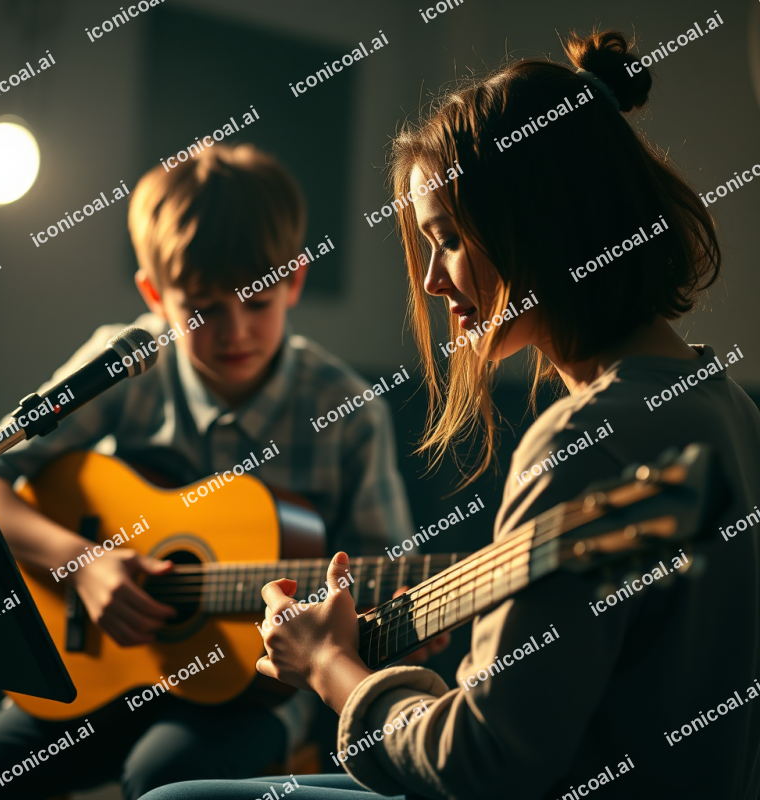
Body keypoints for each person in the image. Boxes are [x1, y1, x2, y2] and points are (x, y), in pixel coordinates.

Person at [138, 29, 760, 800]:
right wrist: (400, 649)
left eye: (451, 240)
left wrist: (332, 667)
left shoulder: (582, 442)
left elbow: (487, 764)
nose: (432, 280)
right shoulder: (723, 402)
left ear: (542, 221)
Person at [0, 143, 418, 800]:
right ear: (155, 294)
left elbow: (381, 568)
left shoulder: (346, 412)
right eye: (203, 310)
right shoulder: (125, 365)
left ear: (295, 279)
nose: (235, 331)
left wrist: (391, 624)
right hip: (95, 667)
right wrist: (83, 563)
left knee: (166, 781)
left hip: (255, 695)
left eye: (257, 301)